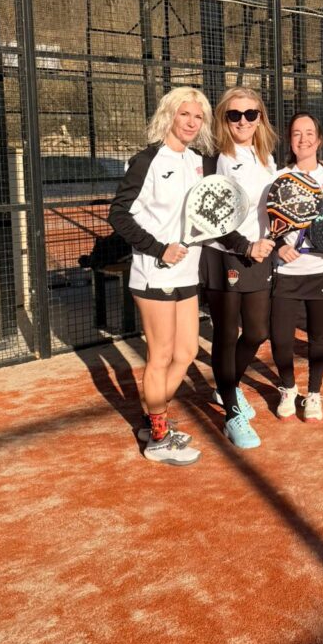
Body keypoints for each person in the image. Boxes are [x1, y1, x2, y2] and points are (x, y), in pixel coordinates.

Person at [108, 86, 214, 466]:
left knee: (186, 353)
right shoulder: (146, 160)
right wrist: (158, 249)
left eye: (198, 117)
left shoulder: (200, 162)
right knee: (161, 355)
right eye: (185, 114)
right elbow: (119, 215)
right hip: (154, 273)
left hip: (187, 272)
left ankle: (153, 419)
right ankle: (158, 435)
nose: (191, 122)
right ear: (169, 115)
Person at [199, 87, 277, 450]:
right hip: (225, 254)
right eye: (234, 115)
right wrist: (245, 246)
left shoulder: (266, 157)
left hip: (259, 255)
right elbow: (209, 213)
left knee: (258, 331)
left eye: (250, 114)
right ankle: (231, 413)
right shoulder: (215, 158)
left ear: (260, 118)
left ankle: (225, 386)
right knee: (227, 335)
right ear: (223, 118)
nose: (243, 121)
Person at [270, 113, 323, 423]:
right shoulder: (278, 177)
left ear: (319, 140)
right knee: (281, 338)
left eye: (309, 133)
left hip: (322, 269)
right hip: (287, 271)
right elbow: (266, 223)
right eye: (296, 133)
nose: (303, 139)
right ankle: (288, 388)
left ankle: (314, 393)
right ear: (289, 140)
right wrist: (280, 246)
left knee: (318, 336)